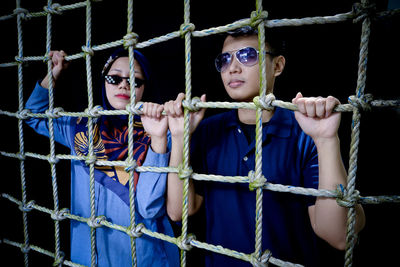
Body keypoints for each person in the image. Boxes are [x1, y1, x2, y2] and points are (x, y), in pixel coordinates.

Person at [164, 26, 366, 267]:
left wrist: (326, 140)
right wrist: (178, 137)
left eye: (248, 55)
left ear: (277, 66)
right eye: (225, 60)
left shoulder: (304, 131)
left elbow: (340, 236)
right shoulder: (207, 130)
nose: (233, 68)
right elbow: (180, 212)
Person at [24, 47, 179, 266]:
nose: (123, 85)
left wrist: (159, 138)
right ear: (103, 81)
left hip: (146, 257)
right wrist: (55, 73)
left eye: (134, 81)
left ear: (145, 88)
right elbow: (33, 115)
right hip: (88, 258)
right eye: (114, 78)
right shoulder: (80, 129)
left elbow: (149, 206)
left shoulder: (163, 132)